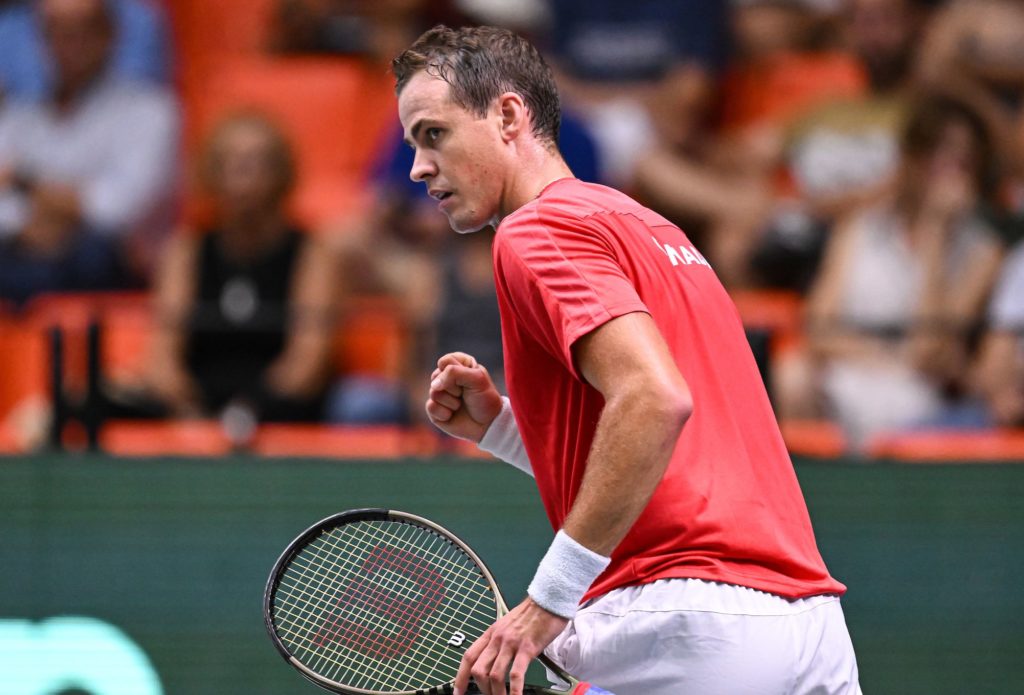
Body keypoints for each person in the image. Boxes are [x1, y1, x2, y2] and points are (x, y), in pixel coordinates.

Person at [393, 25, 860, 695]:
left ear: (506, 115)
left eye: (433, 134)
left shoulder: (533, 228)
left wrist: (544, 604)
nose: (416, 167)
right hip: (808, 625)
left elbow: (654, 400)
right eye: (413, 143)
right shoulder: (647, 223)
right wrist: (502, 426)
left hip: (681, 620)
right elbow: (668, 444)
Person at [774, 94, 1004, 445]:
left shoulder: (983, 251)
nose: (948, 175)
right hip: (853, 376)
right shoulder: (859, 229)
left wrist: (935, 233)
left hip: (927, 397)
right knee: (792, 374)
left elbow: (933, 348)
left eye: (962, 164)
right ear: (910, 159)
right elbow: (819, 326)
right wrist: (888, 357)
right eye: (938, 158)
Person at [105, 111, 337, 429]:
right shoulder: (186, 251)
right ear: (211, 172)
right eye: (231, 161)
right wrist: (190, 412)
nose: (243, 172)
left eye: (257, 161)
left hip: (280, 411)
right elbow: (162, 357)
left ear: (281, 172)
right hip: (193, 408)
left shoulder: (311, 253)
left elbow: (308, 362)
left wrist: (244, 415)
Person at [0, 0, 179, 304]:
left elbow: (118, 208)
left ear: (110, 35)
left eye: (83, 32)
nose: (71, 44)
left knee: (94, 252)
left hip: (107, 269)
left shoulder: (151, 112)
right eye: (58, 33)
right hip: (19, 253)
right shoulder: (19, 118)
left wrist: (25, 183)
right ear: (42, 40)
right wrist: (24, 230)